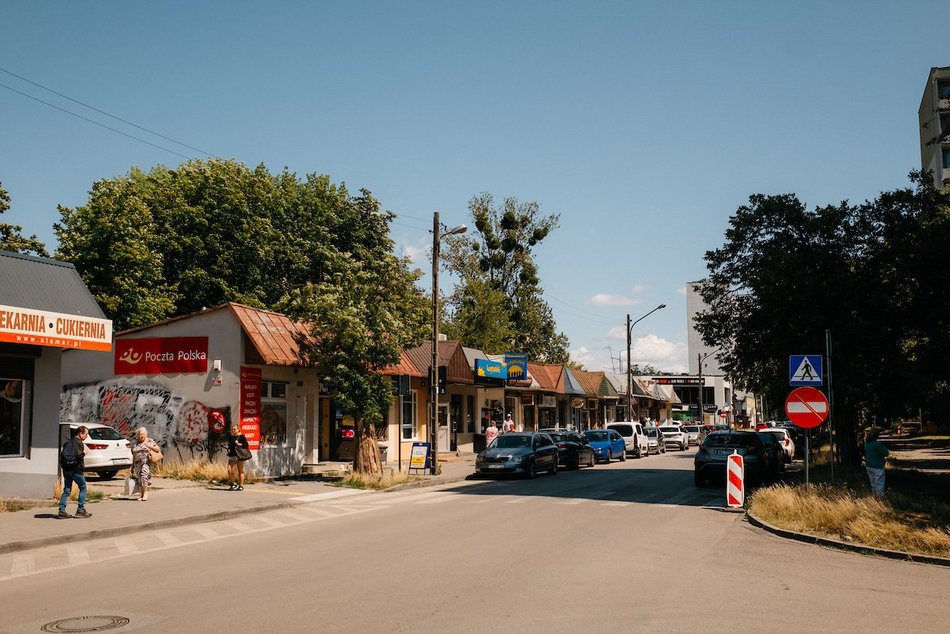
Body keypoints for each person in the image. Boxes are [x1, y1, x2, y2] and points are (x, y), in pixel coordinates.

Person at [58, 425, 91, 519]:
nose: (87, 436)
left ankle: (62, 511)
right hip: (76, 470)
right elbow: (79, 456)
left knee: (67, 490)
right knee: (83, 488)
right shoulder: (79, 443)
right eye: (86, 434)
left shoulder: (68, 442)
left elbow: (62, 457)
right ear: (80, 434)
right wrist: (85, 452)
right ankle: (80, 510)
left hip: (67, 469)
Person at [131, 426, 161, 501]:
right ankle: (141, 495)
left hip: (146, 463)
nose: (142, 436)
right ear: (138, 435)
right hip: (137, 464)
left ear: (146, 434)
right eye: (140, 434)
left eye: (143, 434)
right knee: (139, 479)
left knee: (144, 476)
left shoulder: (149, 441)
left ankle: (145, 494)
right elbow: (134, 455)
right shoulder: (136, 443)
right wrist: (132, 466)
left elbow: (157, 449)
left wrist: (150, 446)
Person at [863, 427, 890, 498]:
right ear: (877, 436)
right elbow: (886, 453)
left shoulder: (866, 444)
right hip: (878, 466)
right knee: (880, 483)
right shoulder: (877, 444)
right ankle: (879, 498)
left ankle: (874, 496)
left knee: (873, 483)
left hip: (869, 466)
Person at [227, 424, 250, 491]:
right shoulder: (231, 437)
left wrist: (240, 444)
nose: (233, 430)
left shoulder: (241, 436)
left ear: (238, 429)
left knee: (240, 470)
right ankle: (233, 483)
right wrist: (229, 448)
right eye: (232, 429)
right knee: (229, 469)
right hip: (232, 455)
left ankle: (241, 485)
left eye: (234, 429)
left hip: (239, 455)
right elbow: (230, 445)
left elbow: (246, 445)